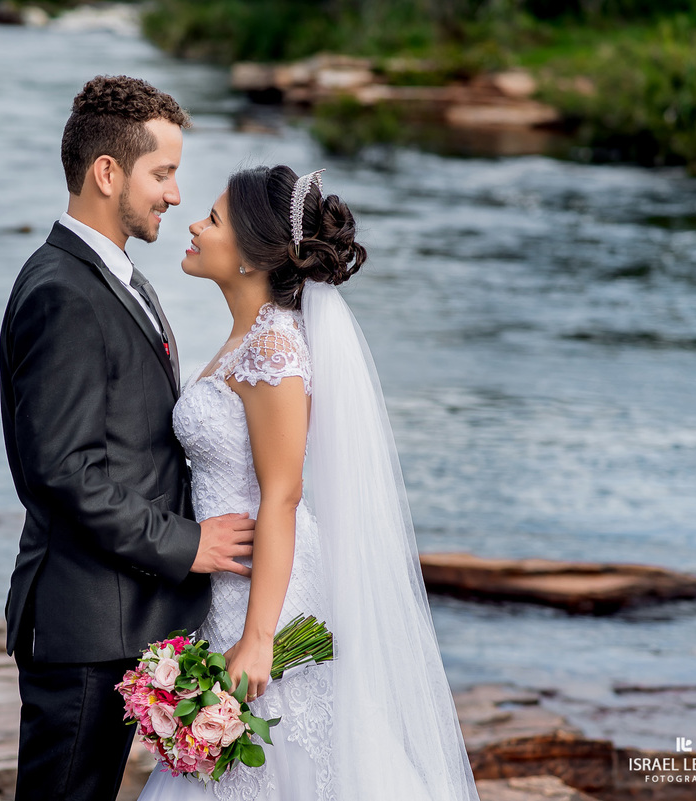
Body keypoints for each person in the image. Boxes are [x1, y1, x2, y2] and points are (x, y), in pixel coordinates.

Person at [138, 165, 481, 800]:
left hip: (264, 591)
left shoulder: (274, 349)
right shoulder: (246, 339)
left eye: (212, 221)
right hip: (229, 581)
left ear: (251, 256)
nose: (193, 224)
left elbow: (283, 494)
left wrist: (259, 638)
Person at [0, 75, 258, 801]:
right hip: (83, 624)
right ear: (106, 173)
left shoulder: (114, 277)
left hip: (116, 617)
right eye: (163, 172)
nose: (176, 195)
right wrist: (189, 544)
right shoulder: (63, 291)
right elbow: (62, 468)